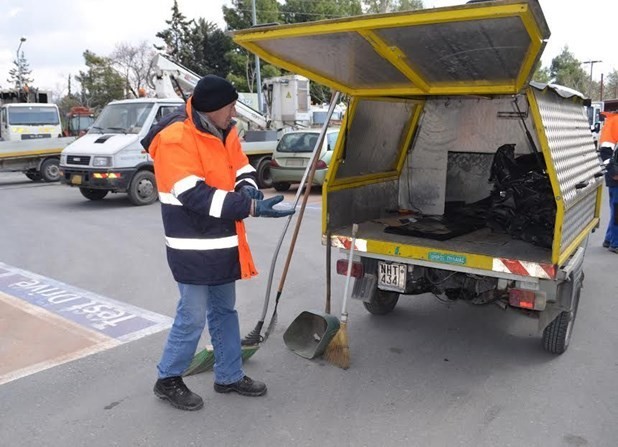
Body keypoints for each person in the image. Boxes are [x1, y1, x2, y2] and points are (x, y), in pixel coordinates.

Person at [141, 74, 295, 411]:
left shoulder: (225, 130)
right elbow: (193, 194)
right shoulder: (174, 138)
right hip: (191, 244)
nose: (234, 111)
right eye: (230, 106)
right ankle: (167, 378)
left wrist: (248, 187)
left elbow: (240, 166)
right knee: (192, 314)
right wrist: (251, 207)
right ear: (211, 109)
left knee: (225, 310)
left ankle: (229, 374)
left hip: (222, 240)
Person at [598, 112, 618, 253]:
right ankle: (615, 243)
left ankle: (610, 239)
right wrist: (614, 172)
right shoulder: (615, 122)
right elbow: (605, 151)